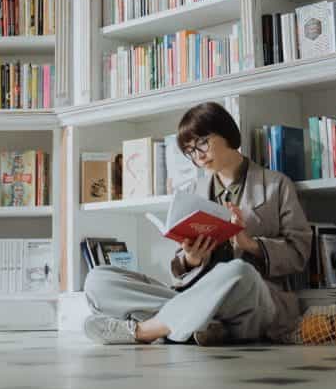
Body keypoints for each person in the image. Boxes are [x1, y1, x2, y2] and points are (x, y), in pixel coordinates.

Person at [82, 102, 312, 346]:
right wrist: (190, 259)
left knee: (238, 272)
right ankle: (204, 325)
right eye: (190, 150)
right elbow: (181, 265)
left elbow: (299, 253)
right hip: (196, 293)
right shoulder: (192, 192)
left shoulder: (277, 185)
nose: (198, 155)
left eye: (202, 142)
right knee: (98, 279)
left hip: (255, 299)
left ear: (227, 133)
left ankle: (143, 330)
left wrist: (250, 244)